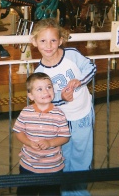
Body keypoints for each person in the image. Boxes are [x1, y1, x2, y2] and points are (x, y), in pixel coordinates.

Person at [30, 18, 96, 196]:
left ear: (60, 40)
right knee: (63, 157)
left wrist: (80, 81)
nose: (49, 45)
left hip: (82, 115)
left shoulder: (72, 54)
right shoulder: (39, 73)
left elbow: (90, 66)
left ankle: (79, 192)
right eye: (43, 41)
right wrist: (61, 98)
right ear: (35, 42)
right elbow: (44, 99)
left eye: (53, 40)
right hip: (60, 122)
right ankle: (67, 192)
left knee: (82, 156)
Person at [13, 72, 71, 196]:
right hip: (28, 165)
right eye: (39, 89)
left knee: (51, 193)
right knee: (25, 193)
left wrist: (50, 143)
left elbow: (65, 136)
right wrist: (28, 142)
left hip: (53, 167)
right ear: (31, 95)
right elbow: (18, 131)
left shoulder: (59, 114)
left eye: (49, 87)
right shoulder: (25, 112)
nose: (46, 91)